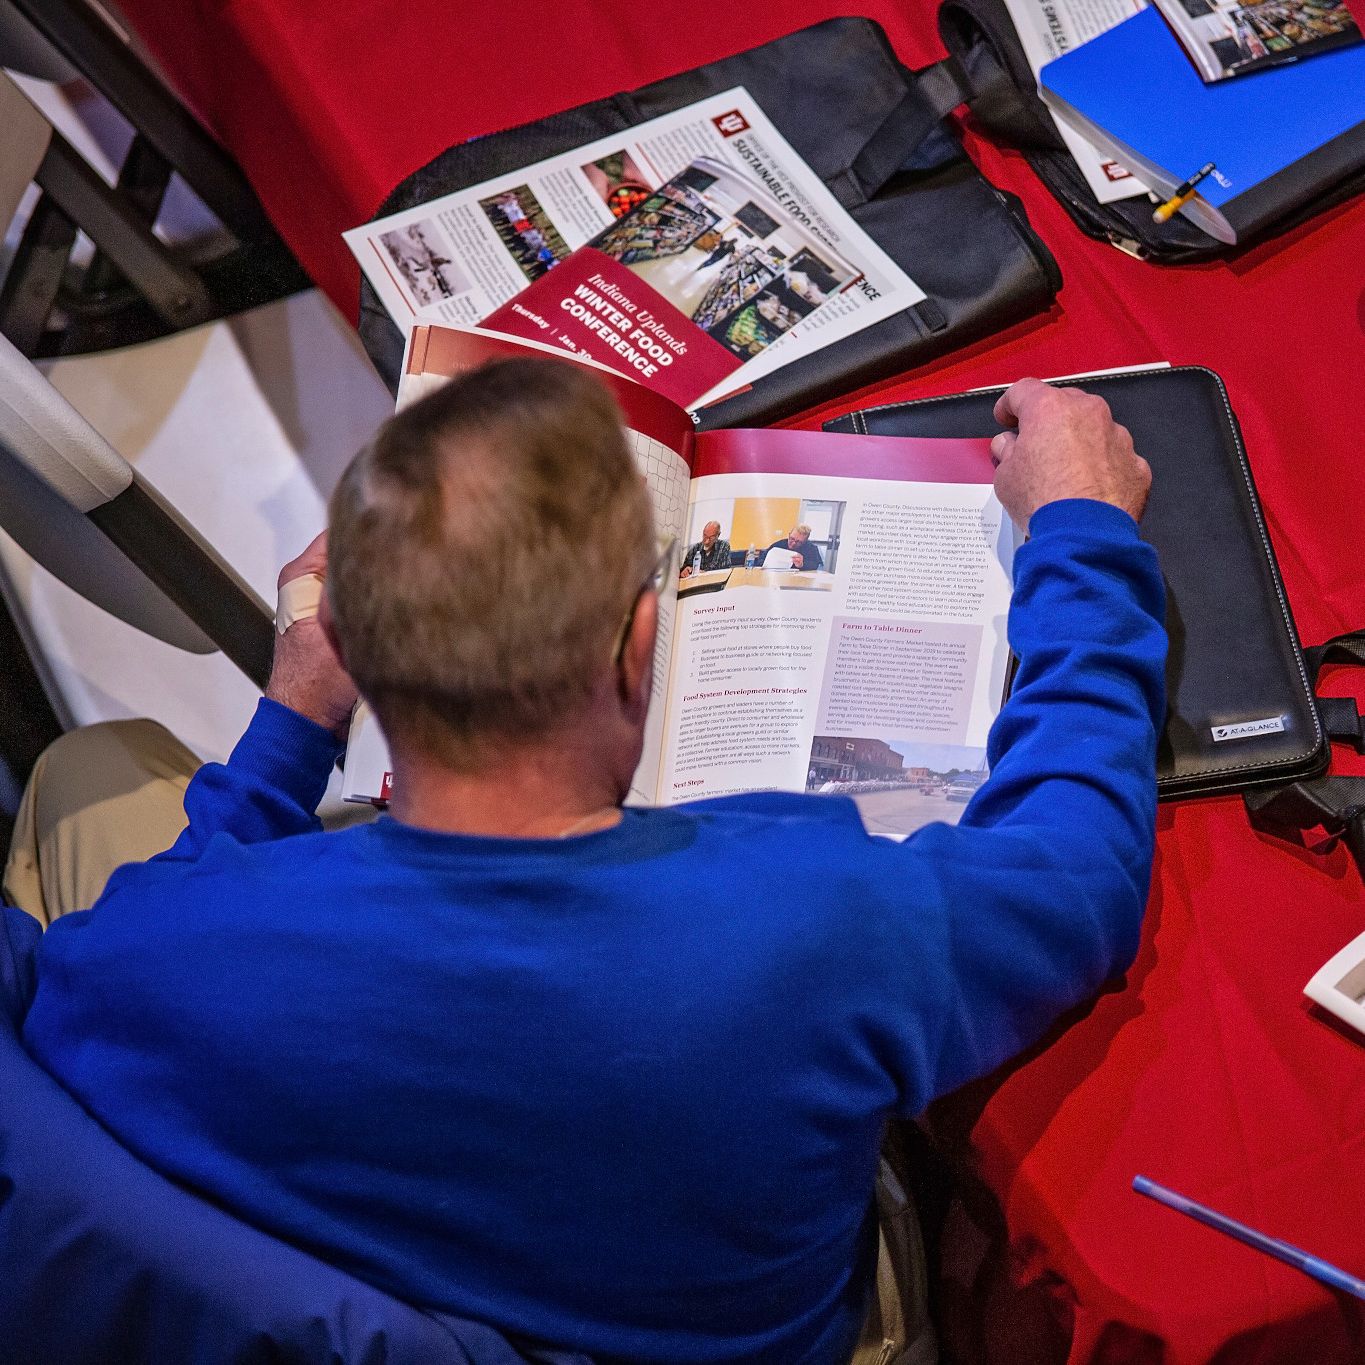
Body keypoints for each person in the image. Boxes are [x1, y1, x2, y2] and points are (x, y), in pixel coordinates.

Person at [7, 361, 1163, 1364]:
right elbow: (1077, 881)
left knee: (92, 770)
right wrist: (1083, 531)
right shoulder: (811, 923)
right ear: (644, 646)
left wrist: (292, 722)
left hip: (362, 1275)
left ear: (343, 640)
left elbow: (156, 941)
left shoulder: (143, 954)